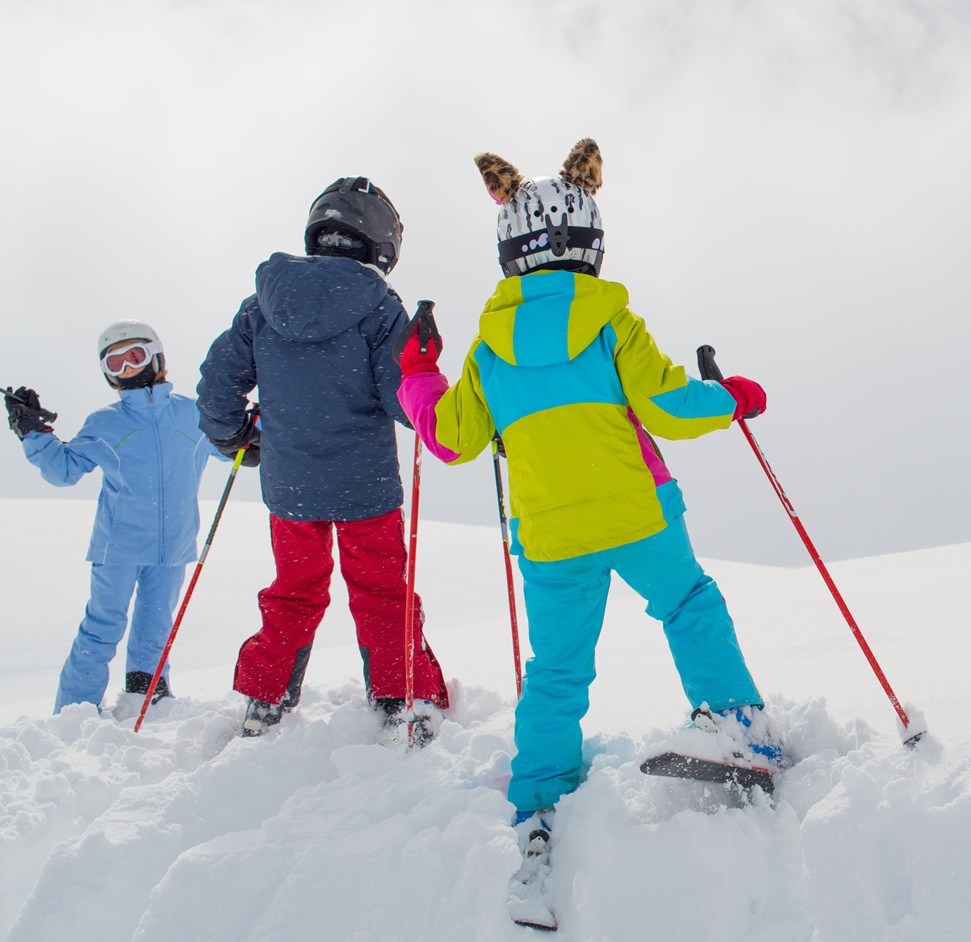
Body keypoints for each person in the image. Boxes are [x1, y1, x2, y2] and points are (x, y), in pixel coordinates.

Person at [394, 140, 780, 851]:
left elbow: (452, 441)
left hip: (549, 532)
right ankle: (739, 733)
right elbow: (669, 410)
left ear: (510, 247)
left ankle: (541, 791)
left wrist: (419, 376)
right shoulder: (610, 323)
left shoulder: (487, 351)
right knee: (689, 606)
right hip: (637, 508)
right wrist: (734, 396)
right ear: (591, 241)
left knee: (558, 667)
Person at [197, 176, 449, 742]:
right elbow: (402, 400)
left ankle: (266, 698)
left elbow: (218, 387)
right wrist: (425, 367)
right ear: (381, 243)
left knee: (294, 589)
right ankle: (399, 692)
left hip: (292, 493)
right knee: (382, 590)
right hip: (367, 491)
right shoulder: (380, 308)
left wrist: (235, 437)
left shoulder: (260, 306)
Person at [6, 320, 223, 714]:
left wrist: (253, 430)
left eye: (134, 356)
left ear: (156, 356)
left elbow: (232, 447)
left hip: (174, 545)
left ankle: (147, 700)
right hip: (118, 546)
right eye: (115, 363)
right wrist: (34, 433)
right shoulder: (105, 423)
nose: (127, 368)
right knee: (102, 629)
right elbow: (64, 471)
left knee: (155, 632)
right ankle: (75, 711)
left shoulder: (193, 415)